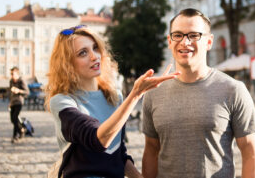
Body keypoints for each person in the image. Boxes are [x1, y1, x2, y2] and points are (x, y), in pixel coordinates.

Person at [45, 25, 179, 178]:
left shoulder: (115, 97)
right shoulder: (63, 101)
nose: (94, 56)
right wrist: (136, 94)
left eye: (95, 48)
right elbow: (98, 140)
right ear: (67, 64)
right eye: (83, 53)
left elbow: (118, 154)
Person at [142, 8, 255, 178]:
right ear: (169, 41)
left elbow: (251, 152)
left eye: (194, 35)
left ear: (209, 41)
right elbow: (151, 151)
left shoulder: (233, 90)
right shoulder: (153, 93)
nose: (185, 42)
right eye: (178, 35)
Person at [9, 66, 29, 143]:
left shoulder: (21, 81)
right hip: (13, 102)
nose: (11, 75)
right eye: (10, 74)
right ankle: (21, 129)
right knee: (12, 120)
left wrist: (19, 91)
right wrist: (10, 103)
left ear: (17, 74)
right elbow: (10, 93)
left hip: (19, 102)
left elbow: (27, 92)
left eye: (12, 74)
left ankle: (15, 136)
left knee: (15, 117)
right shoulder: (11, 81)